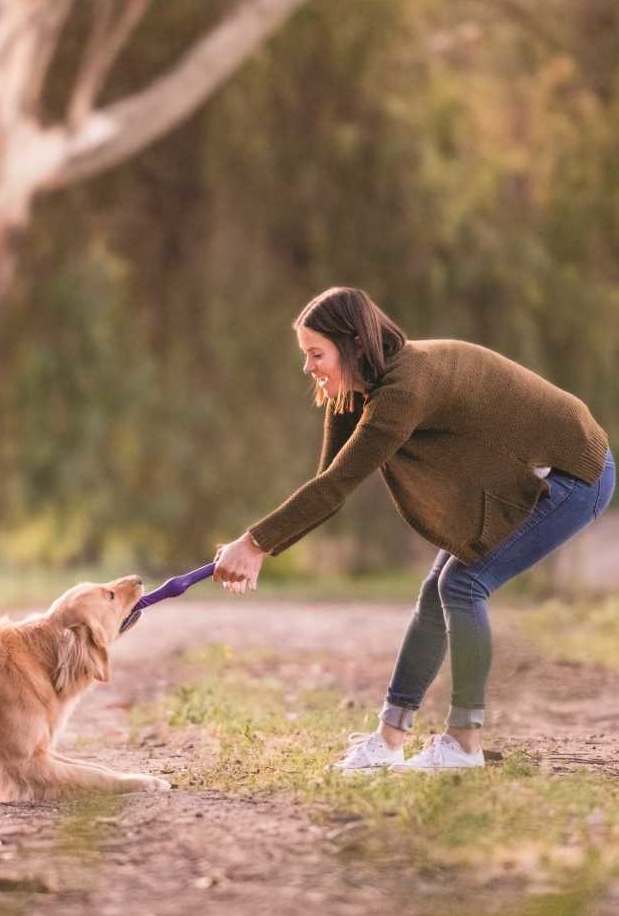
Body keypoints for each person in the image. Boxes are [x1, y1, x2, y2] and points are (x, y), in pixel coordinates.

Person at [213, 287, 615, 772]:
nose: (308, 367)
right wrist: (258, 546)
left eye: (316, 354)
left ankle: (464, 744)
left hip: (574, 475)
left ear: (355, 345)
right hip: (534, 475)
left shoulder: (403, 389)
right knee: (436, 591)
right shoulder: (357, 391)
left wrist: (254, 543)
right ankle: (388, 740)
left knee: (462, 585)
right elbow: (328, 483)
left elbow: (339, 484)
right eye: (306, 355)